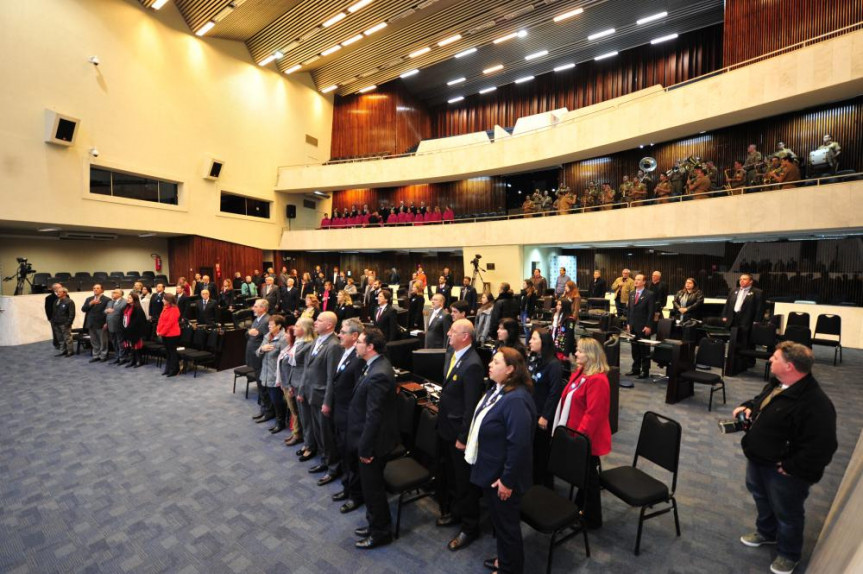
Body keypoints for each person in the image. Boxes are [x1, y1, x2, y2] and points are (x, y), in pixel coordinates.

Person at [734, 342, 837, 574]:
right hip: (759, 458)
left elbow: (823, 447)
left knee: (787, 512)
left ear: (789, 366)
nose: (770, 359)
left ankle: (789, 554)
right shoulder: (779, 384)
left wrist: (792, 467)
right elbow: (760, 402)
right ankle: (766, 532)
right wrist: (748, 407)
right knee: (761, 498)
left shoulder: (815, 404)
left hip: (784, 470)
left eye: (775, 358)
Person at [467, 347, 536, 574]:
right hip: (492, 469)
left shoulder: (516, 399)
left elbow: (519, 445)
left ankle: (510, 569)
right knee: (500, 522)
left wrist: (507, 480)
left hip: (503, 478)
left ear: (510, 369)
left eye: (496, 362)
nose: (490, 364)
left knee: (507, 527)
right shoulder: (499, 390)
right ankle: (506, 560)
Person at [437, 319, 486, 551]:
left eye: (453, 331)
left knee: (464, 483)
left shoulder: (473, 364)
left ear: (465, 336)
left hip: (460, 433)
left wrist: (463, 438)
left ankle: (469, 527)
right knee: (453, 477)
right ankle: (456, 513)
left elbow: (471, 407)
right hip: (446, 426)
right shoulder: (452, 354)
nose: (448, 333)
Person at [553, 337, 612, 529]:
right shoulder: (580, 372)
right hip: (575, 434)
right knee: (585, 477)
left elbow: (593, 415)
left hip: (587, 439)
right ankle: (580, 508)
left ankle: (592, 519)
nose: (575, 353)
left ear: (590, 355)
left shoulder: (598, 380)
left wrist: (577, 439)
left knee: (589, 479)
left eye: (579, 351)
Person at [349, 328, 399, 549]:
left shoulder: (379, 372)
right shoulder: (372, 365)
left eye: (359, 342)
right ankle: (373, 523)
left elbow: (374, 416)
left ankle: (380, 532)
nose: (356, 345)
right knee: (371, 488)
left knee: (373, 489)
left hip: (374, 444)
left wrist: (365, 449)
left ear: (370, 347)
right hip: (369, 438)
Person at [327, 318, 365, 513]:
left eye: (343, 331)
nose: (339, 334)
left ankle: (355, 495)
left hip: (349, 418)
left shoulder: (358, 360)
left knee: (351, 458)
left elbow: (358, 394)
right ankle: (346, 487)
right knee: (343, 454)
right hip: (339, 412)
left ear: (355, 336)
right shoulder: (345, 352)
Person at [304, 312, 342, 484]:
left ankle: (333, 468)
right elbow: (309, 367)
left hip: (322, 397)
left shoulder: (334, 345)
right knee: (318, 432)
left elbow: (330, 378)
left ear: (329, 325)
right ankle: (324, 461)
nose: (315, 323)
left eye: (319, 320)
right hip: (312, 393)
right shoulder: (317, 340)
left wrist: (327, 402)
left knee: (326, 435)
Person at [527, 328, 563, 487]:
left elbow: (555, 393)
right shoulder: (534, 358)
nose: (530, 341)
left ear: (544, 342)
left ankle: (543, 485)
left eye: (534, 339)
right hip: (530, 410)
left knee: (541, 452)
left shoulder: (554, 364)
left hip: (542, 415)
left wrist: (545, 416)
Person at [721, 273, 764, 371]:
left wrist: (757, 321)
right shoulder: (734, 290)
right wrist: (724, 315)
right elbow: (728, 304)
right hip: (734, 318)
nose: (742, 281)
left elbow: (760, 308)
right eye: (740, 279)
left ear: (751, 281)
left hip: (747, 319)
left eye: (744, 279)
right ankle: (734, 358)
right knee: (734, 339)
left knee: (747, 340)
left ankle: (749, 361)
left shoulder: (757, 292)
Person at [289, 318, 315, 456]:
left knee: (306, 417)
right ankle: (306, 441)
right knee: (301, 416)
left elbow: (306, 369)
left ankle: (310, 445)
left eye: (297, 326)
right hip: (295, 382)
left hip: (303, 385)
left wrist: (301, 388)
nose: (293, 328)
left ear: (304, 329)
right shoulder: (298, 342)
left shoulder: (309, 345)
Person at [257, 314, 288, 434]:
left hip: (275, 375)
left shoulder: (284, 338)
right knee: (270, 398)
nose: (269, 326)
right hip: (265, 373)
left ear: (279, 326)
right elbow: (257, 352)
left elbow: (285, 360)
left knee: (277, 400)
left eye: (271, 325)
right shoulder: (267, 336)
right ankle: (272, 416)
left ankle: (280, 422)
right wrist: (261, 349)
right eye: (268, 324)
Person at [626, 273, 655, 381]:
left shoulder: (649, 294)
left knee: (644, 350)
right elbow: (629, 310)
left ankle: (645, 370)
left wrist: (648, 325)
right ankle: (636, 369)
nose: (636, 281)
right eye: (635, 279)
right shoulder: (632, 293)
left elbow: (651, 312)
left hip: (643, 326)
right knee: (635, 349)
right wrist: (628, 323)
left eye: (639, 280)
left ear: (644, 282)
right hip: (633, 326)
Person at [248, 300, 273, 422]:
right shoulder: (257, 319)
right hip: (255, 356)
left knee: (262, 384)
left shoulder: (267, 320)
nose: (253, 308)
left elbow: (269, 339)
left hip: (261, 357)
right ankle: (263, 409)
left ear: (263, 308)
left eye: (256, 306)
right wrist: (249, 332)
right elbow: (251, 334)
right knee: (260, 384)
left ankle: (267, 411)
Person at [275, 325, 298, 441]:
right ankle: (295, 432)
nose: (285, 335)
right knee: (292, 409)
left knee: (294, 411)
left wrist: (288, 386)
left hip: (290, 386)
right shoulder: (288, 347)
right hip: (284, 383)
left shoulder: (295, 349)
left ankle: (297, 434)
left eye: (288, 334)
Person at [81, 284, 109, 362]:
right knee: (94, 341)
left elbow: (108, 313)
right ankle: (96, 355)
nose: (95, 289)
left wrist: (106, 323)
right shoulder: (89, 299)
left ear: (102, 290)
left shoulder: (107, 300)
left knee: (103, 341)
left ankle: (103, 356)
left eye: (97, 288)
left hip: (101, 323)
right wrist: (90, 303)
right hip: (90, 323)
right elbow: (83, 309)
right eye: (94, 288)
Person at [156, 293, 182, 377]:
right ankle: (168, 369)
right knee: (168, 352)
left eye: (164, 299)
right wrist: (158, 330)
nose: (162, 300)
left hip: (172, 334)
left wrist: (161, 332)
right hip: (165, 333)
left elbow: (170, 323)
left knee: (172, 352)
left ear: (168, 300)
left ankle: (174, 369)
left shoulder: (174, 309)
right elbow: (161, 320)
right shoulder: (165, 308)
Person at [121, 292, 148, 368]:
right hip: (127, 330)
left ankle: (139, 361)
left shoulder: (138, 308)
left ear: (134, 299)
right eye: (128, 297)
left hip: (135, 331)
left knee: (136, 346)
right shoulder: (127, 307)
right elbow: (123, 318)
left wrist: (129, 327)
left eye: (130, 298)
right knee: (130, 346)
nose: (128, 299)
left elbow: (138, 321)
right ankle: (132, 360)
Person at [51, 286, 76, 357]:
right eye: (57, 292)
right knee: (60, 339)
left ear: (64, 293)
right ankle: (63, 351)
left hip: (64, 323)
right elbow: (54, 312)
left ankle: (70, 351)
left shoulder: (69, 301)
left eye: (59, 292)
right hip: (56, 323)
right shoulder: (56, 301)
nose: (57, 293)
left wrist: (68, 323)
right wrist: (53, 322)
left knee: (67, 338)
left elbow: (72, 314)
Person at [105, 289, 127, 364]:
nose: (113, 294)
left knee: (120, 342)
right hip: (110, 324)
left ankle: (122, 358)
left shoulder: (124, 302)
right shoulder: (110, 302)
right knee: (114, 342)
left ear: (120, 294)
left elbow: (122, 312)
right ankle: (117, 357)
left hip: (119, 325)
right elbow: (105, 311)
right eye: (112, 292)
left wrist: (112, 311)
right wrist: (106, 311)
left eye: (115, 292)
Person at [45, 283, 61, 349]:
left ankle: (64, 344)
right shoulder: (49, 298)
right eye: (59, 287)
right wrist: (50, 318)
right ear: (55, 289)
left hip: (64, 317)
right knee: (55, 331)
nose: (61, 288)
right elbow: (48, 308)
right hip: (54, 318)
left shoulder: (66, 295)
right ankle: (57, 344)